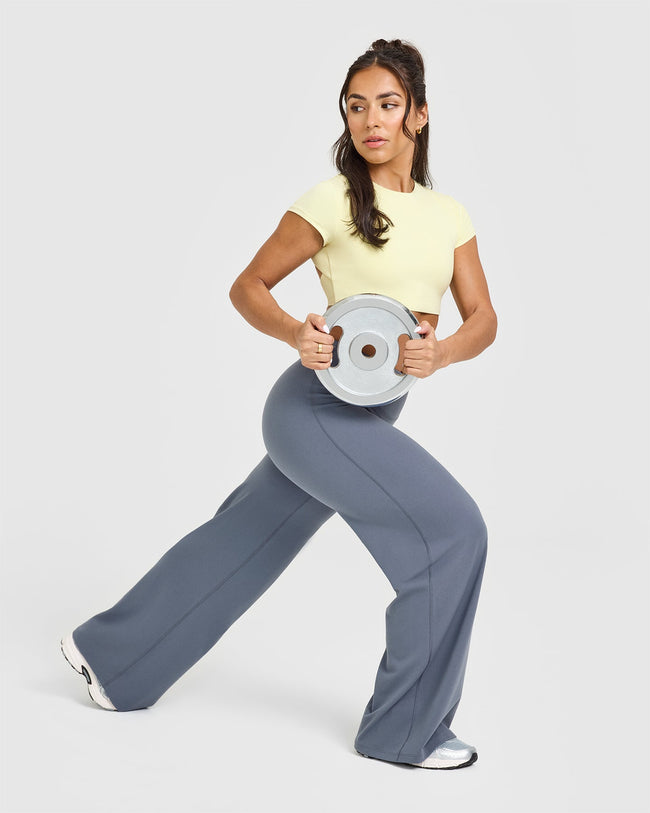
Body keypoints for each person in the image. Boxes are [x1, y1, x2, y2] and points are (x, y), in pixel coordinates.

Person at [60, 37, 497, 771]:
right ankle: (402, 732)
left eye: (388, 105)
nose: (371, 120)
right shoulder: (331, 200)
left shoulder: (448, 215)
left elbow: (482, 317)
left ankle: (111, 657)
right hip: (314, 412)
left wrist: (444, 351)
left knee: (244, 538)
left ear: (419, 115)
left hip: (374, 412)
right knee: (452, 531)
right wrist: (297, 331)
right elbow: (248, 287)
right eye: (356, 106)